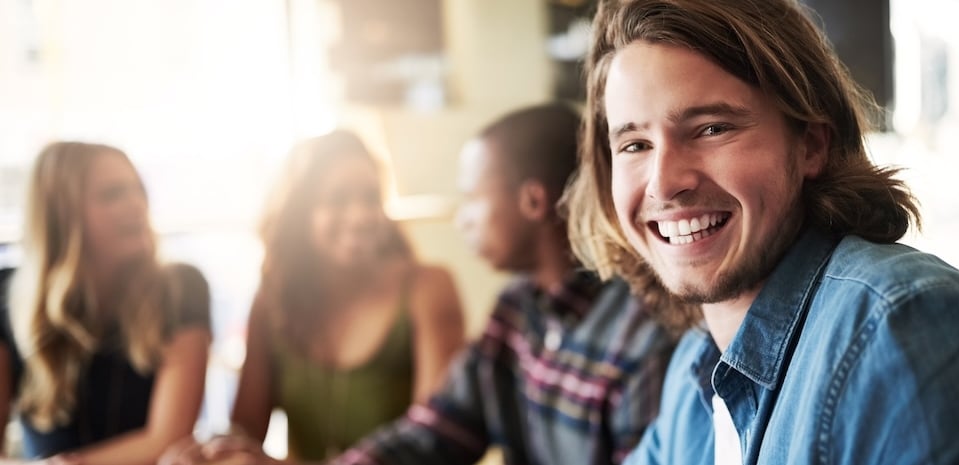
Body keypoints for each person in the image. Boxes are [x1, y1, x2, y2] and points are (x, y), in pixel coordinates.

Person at [563, 0, 959, 464]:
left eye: (711, 128)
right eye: (635, 144)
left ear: (810, 145)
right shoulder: (695, 367)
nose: (664, 182)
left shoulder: (907, 330)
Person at [177, 104, 676, 465]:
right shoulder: (517, 312)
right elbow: (435, 432)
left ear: (531, 203)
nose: (461, 221)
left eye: (472, 200)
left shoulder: (640, 332)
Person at [166, 129, 466, 463]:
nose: (361, 216)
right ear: (298, 215)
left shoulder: (427, 288)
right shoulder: (272, 300)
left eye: (371, 198)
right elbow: (247, 429)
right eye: (337, 200)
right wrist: (211, 451)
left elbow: (435, 443)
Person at [0, 142, 211, 463]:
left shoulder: (181, 287)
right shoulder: (6, 292)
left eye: (138, 189)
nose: (137, 204)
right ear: (60, 211)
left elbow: (168, 439)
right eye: (113, 194)